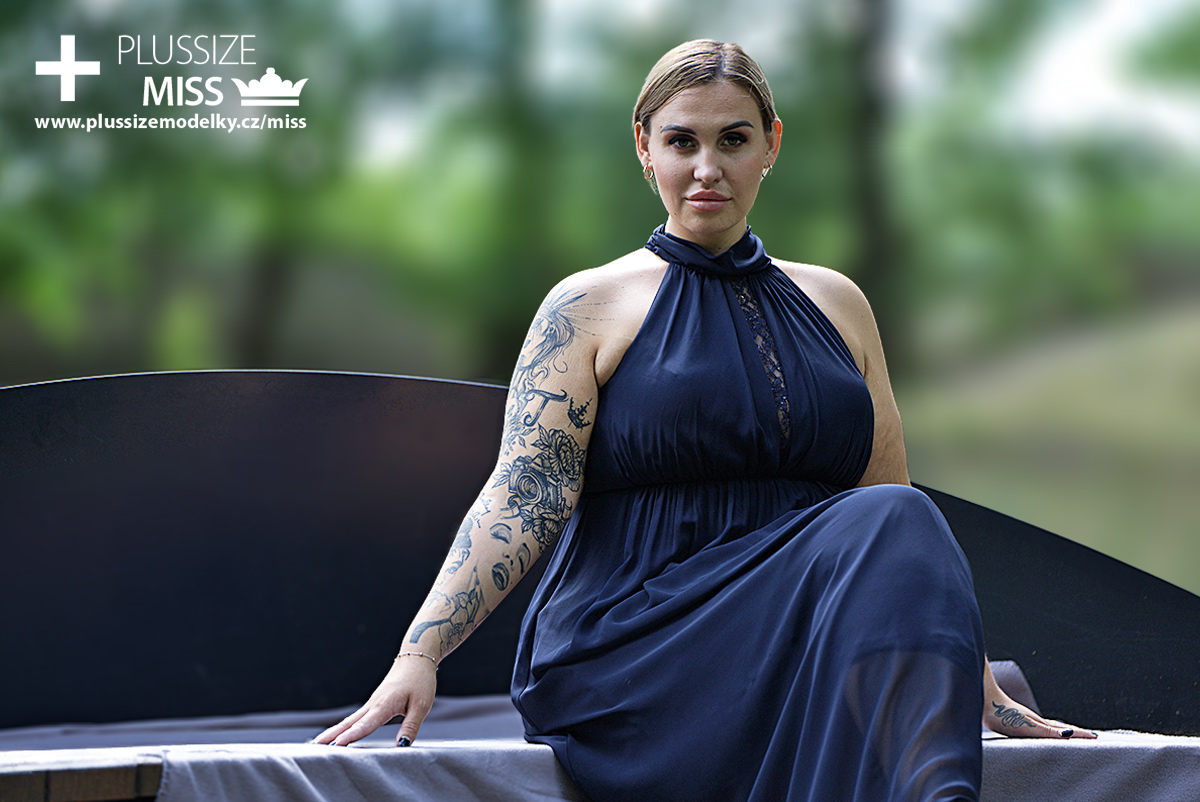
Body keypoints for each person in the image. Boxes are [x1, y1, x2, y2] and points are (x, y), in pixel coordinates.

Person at [316, 39, 1093, 801]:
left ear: (771, 145)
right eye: (682, 141)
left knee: (899, 513)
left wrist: (977, 686)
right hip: (636, 644)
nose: (707, 168)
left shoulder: (840, 304)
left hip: (799, 631)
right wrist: (420, 653)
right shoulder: (586, 307)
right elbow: (527, 493)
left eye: (734, 140)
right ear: (644, 146)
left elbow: (891, 518)